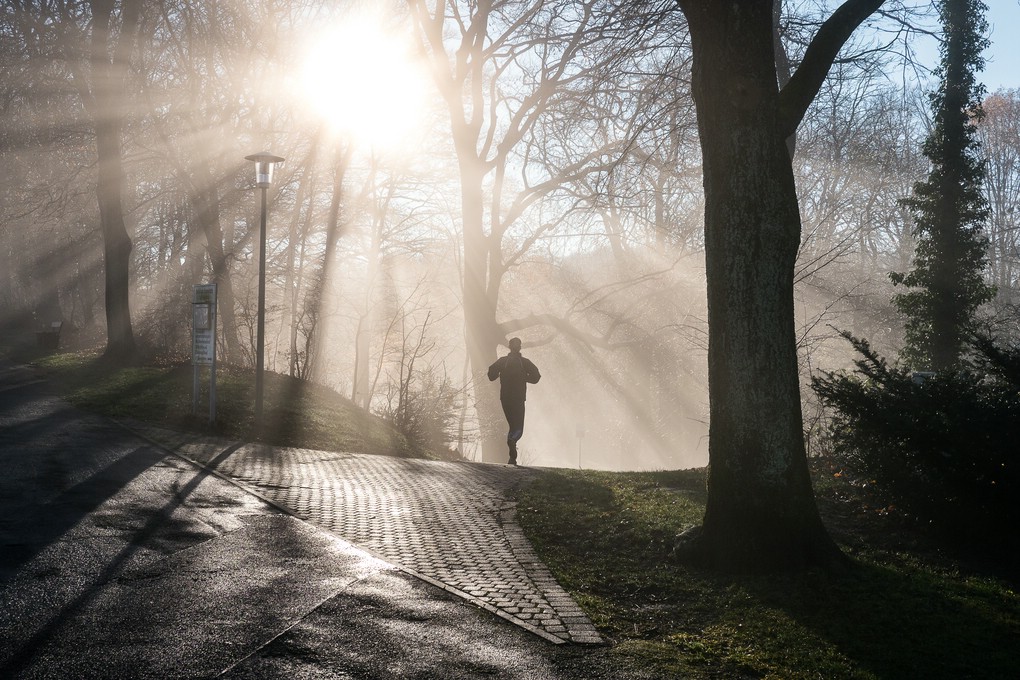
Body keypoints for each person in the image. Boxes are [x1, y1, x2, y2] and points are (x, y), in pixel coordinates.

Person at [487, 337, 540, 465]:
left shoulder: (502, 361)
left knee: (512, 424)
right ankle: (512, 441)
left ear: (509, 347)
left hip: (505, 398)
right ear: (520, 347)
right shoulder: (525, 362)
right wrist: (524, 378)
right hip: (519, 398)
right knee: (518, 427)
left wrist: (500, 374)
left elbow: (491, 375)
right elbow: (536, 377)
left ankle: (512, 456)